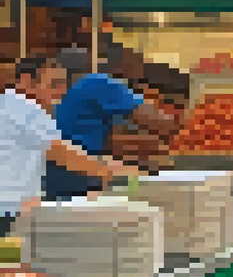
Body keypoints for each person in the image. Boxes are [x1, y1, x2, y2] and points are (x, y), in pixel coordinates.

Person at [1, 55, 135, 235]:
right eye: (54, 84)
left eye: (64, 84)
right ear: (26, 81)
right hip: (8, 212)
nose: (62, 91)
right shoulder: (24, 109)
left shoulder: (8, 106)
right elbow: (62, 154)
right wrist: (108, 173)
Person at [44, 46, 178, 201]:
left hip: (53, 175)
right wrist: (180, 126)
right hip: (85, 174)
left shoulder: (56, 92)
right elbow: (158, 122)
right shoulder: (96, 83)